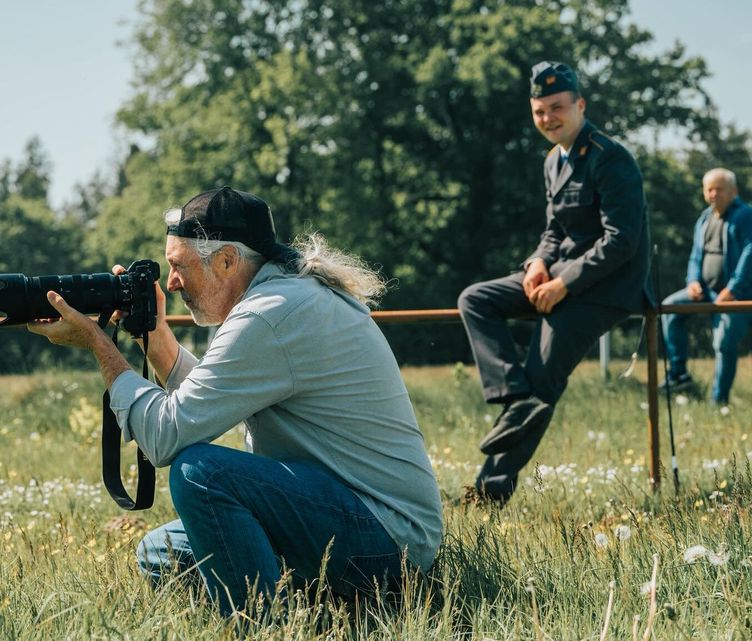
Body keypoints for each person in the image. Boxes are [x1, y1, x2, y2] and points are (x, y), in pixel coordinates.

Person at [28, 186, 443, 616]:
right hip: (360, 520)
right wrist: (151, 333)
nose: (171, 283)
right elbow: (207, 400)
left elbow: (168, 436)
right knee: (161, 550)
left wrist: (101, 347)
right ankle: (326, 605)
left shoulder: (269, 315)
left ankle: (264, 624)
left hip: (387, 542)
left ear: (227, 261)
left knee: (199, 473)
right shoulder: (287, 296)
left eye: (178, 266)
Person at [457, 61, 651, 506]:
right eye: (539, 111)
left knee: (543, 378)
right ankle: (512, 393)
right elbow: (553, 230)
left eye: (557, 108)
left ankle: (489, 493)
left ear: (580, 105)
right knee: (476, 299)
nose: (548, 119)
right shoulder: (553, 160)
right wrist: (537, 265)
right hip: (559, 275)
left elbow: (623, 241)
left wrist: (564, 283)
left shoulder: (610, 156)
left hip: (606, 288)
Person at [660, 168, 752, 404]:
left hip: (740, 296)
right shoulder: (704, 219)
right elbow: (695, 257)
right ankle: (678, 374)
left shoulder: (748, 216)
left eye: (719, 189)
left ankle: (719, 402)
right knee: (669, 308)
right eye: (709, 189)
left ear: (733, 191)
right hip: (706, 292)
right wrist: (692, 282)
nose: (713, 194)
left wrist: (733, 289)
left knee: (723, 341)